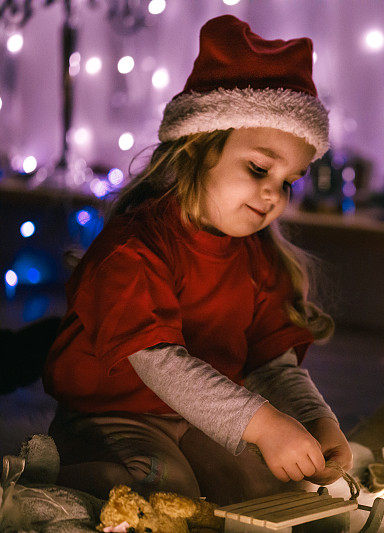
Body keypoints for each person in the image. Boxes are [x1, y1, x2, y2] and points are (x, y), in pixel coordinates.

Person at [42, 15, 352, 506]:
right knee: (165, 493)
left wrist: (317, 420)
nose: (274, 193)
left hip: (201, 415)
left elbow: (271, 362)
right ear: (197, 148)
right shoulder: (136, 248)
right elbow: (160, 364)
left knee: (266, 490)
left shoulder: (259, 257)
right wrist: (265, 424)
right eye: (259, 168)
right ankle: (47, 481)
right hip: (112, 412)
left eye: (289, 180)